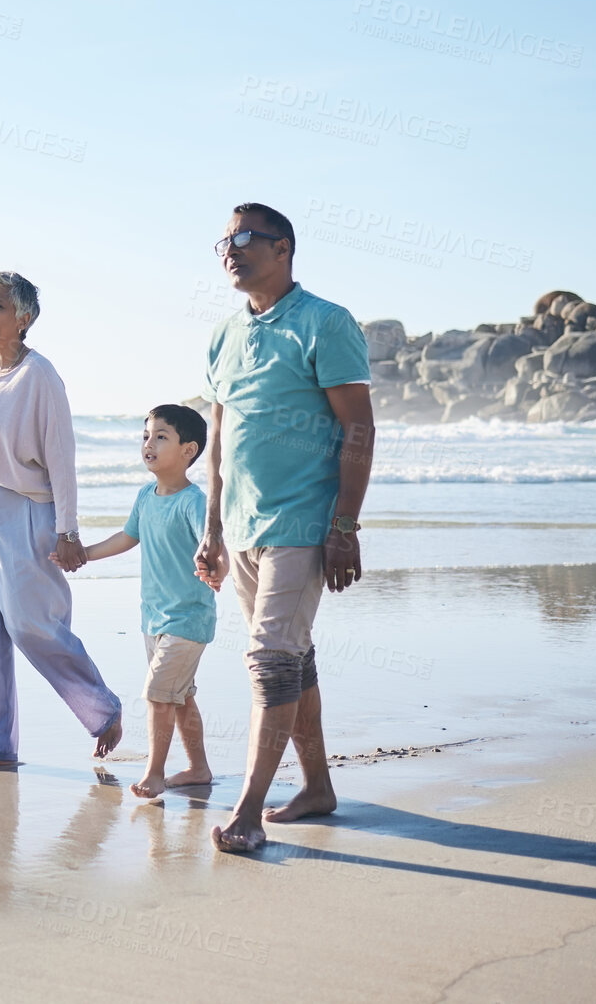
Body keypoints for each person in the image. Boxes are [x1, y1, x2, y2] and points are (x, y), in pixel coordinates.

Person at [193, 203, 375, 854]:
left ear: (283, 246)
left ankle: (245, 808)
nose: (230, 250)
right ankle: (319, 785)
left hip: (302, 520)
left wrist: (344, 525)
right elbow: (220, 437)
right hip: (241, 528)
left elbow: (357, 426)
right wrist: (210, 528)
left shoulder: (325, 322)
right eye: (223, 241)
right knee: (291, 658)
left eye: (244, 238)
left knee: (270, 660)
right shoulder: (221, 336)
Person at [0, 272, 124, 769]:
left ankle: (101, 709)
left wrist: (69, 530)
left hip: (27, 511)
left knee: (30, 623)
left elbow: (62, 458)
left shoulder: (40, 375)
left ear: (24, 318)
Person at [54, 404, 216, 799]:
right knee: (180, 697)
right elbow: (128, 537)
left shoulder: (194, 501)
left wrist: (208, 560)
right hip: (154, 619)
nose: (149, 444)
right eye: (146, 436)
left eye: (162, 436)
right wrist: (84, 554)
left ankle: (155, 773)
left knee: (159, 694)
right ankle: (198, 768)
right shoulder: (146, 496)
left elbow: (209, 541)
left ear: (188, 450)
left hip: (187, 619)